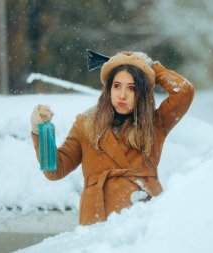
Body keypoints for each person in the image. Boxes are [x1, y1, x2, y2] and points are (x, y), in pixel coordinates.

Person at [30, 51, 195, 225]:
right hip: (97, 219)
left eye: (132, 88)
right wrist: (40, 131)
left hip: (142, 220)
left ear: (142, 93)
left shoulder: (155, 124)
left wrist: (152, 67)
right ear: (108, 89)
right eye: (117, 86)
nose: (122, 95)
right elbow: (54, 170)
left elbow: (184, 91)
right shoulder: (85, 125)